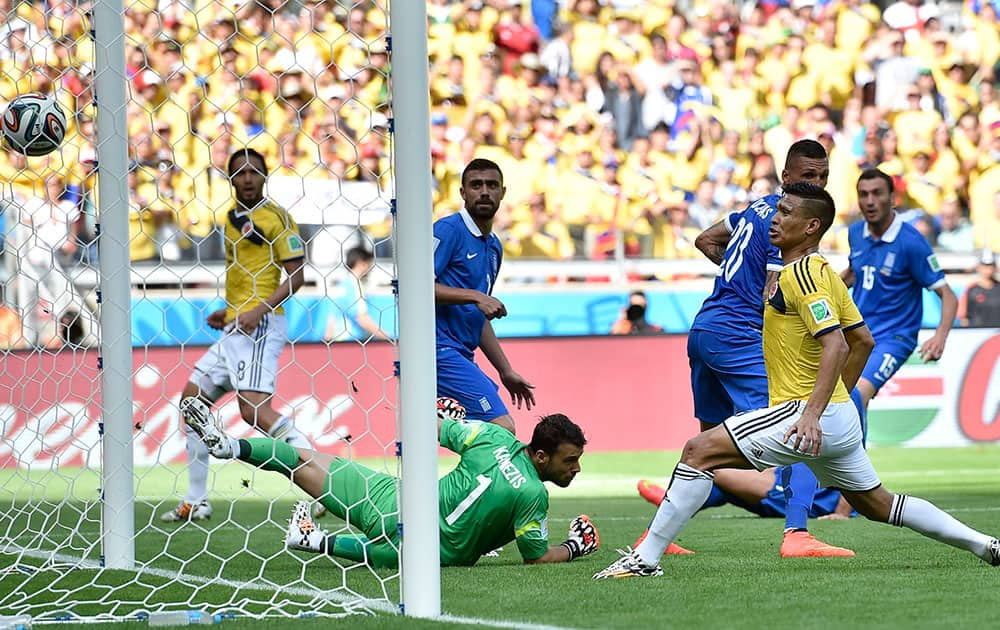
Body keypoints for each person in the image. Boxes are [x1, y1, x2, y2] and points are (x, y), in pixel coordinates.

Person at [593, 183, 1000, 579]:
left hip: (806, 413)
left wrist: (812, 415)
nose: (775, 217)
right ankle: (985, 544)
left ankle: (644, 558)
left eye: (786, 212)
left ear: (810, 227)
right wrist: (838, 404)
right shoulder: (823, 272)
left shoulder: (801, 277)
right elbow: (864, 339)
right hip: (835, 417)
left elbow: (838, 346)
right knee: (880, 505)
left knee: (698, 450)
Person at [183, 396, 600, 568]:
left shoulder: (493, 437)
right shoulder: (532, 495)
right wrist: (576, 546)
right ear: (541, 456)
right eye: (571, 460)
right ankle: (315, 541)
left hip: (392, 499)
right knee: (399, 556)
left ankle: (230, 448)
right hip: (418, 546)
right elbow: (536, 557)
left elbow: (433, 425)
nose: (576, 469)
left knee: (303, 462)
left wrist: (446, 413)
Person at [682, 139, 853, 558]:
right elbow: (773, 293)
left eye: (824, 178)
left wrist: (736, 278)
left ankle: (660, 536)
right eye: (808, 177)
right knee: (799, 421)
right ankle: (797, 533)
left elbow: (706, 239)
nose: (817, 184)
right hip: (740, 336)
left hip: (705, 330)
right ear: (787, 178)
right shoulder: (787, 223)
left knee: (707, 445)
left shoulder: (753, 210)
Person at [161, 148, 310, 522]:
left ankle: (320, 473)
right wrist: (228, 312)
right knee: (191, 402)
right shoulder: (230, 218)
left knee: (253, 411)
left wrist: (257, 310)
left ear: (265, 176)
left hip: (261, 324)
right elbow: (244, 274)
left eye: (254, 172)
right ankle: (197, 499)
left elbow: (297, 276)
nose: (247, 179)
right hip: (235, 326)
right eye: (239, 173)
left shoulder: (278, 219)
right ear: (230, 180)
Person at [841, 169, 959, 412]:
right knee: (839, 402)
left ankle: (857, 453)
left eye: (877, 193)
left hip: (893, 338)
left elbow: (947, 294)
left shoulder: (911, 243)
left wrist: (940, 336)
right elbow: (855, 273)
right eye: (863, 194)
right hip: (858, 335)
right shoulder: (855, 234)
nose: (870, 201)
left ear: (893, 198)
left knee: (855, 396)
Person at [433, 158, 535, 434]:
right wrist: (476, 296)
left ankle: (432, 427)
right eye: (476, 185)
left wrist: (505, 370)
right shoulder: (447, 230)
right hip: (438, 351)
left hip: (462, 355)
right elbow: (417, 287)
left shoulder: (494, 248)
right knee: (501, 430)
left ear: (503, 192)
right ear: (462, 193)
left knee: (481, 436)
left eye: (492, 185)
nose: (485, 192)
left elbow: (478, 317)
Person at [637, 469, 854, 520]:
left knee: (717, 471)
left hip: (795, 494)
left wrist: (842, 514)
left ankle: (673, 500)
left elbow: (850, 471)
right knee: (727, 489)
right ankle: (673, 502)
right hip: (783, 478)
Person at [323, 246, 391, 342]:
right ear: (361, 263)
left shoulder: (341, 284)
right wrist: (388, 338)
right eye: (369, 264)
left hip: (336, 341)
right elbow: (361, 318)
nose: (370, 268)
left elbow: (331, 319)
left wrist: (327, 340)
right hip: (352, 341)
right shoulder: (354, 285)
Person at [958, 249, 1000, 327]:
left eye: (990, 266)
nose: (987, 270)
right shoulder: (971, 289)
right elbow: (963, 317)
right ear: (978, 267)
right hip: (978, 334)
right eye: (984, 267)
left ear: (995, 268)